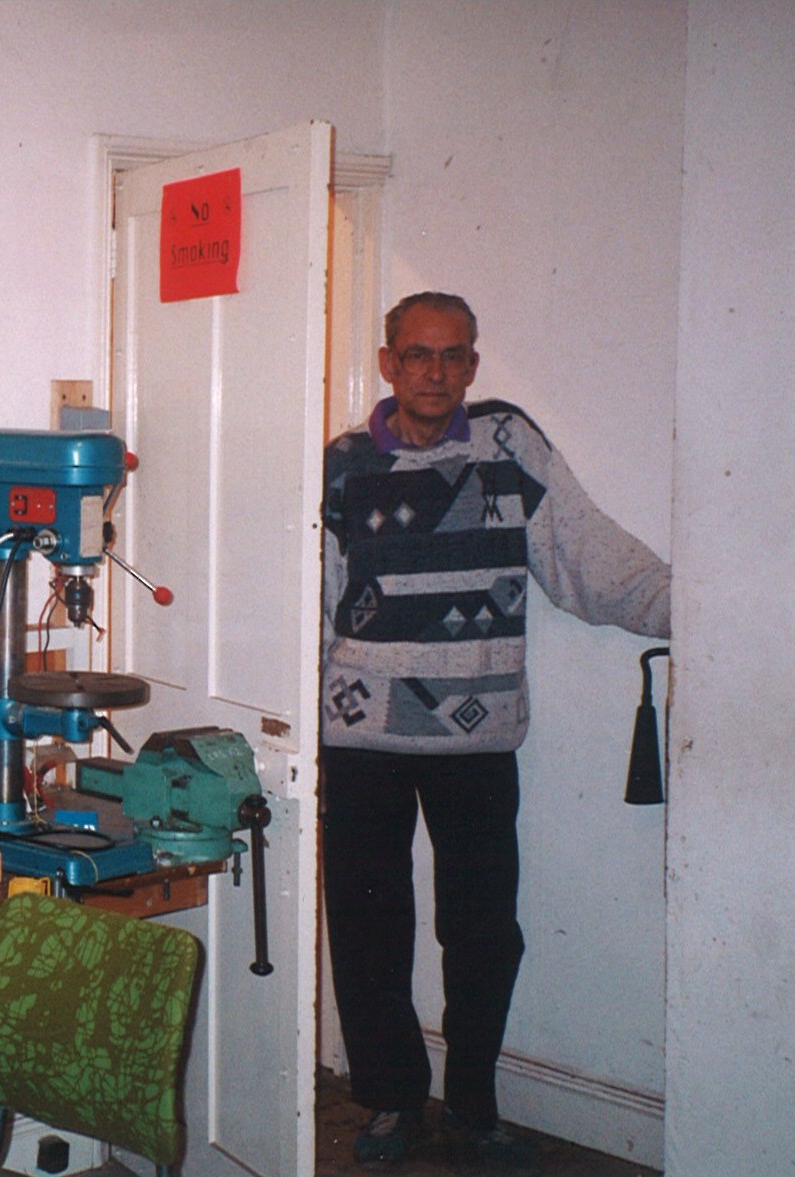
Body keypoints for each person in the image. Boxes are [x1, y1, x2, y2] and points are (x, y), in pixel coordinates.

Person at [319, 292, 670, 1170]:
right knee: (368, 929)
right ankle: (393, 1099)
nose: (435, 372)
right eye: (418, 354)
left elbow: (587, 557)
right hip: (359, 742)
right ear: (388, 363)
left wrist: (707, 610)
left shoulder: (510, 446)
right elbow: (312, 598)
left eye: (453, 355)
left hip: (476, 741)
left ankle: (472, 1105)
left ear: (472, 365)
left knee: (483, 933)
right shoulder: (343, 465)